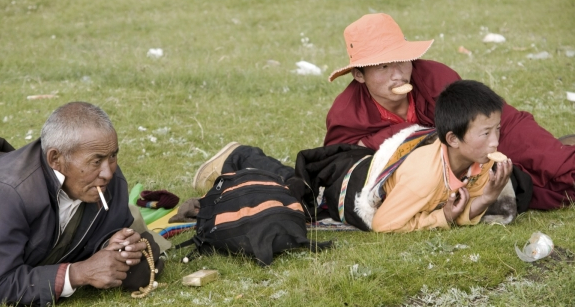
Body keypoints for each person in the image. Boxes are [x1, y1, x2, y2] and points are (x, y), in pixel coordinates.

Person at [324, 13, 575, 210]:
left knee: (551, 160)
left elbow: (482, 115)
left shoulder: (434, 76)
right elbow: (341, 167)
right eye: (383, 67)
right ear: (359, 75)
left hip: (477, 132)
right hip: (444, 169)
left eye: (402, 60)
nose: (398, 75)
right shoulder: (346, 113)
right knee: (527, 184)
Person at [193, 80, 513, 232]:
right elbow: (384, 224)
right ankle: (241, 158)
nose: (495, 141)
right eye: (486, 133)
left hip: (376, 164)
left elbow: (466, 199)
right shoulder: (424, 177)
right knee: (296, 198)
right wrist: (440, 218)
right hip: (352, 186)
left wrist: (486, 198)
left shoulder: (481, 161)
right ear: (453, 139)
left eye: (497, 130)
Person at [0, 102, 160, 307]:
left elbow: (116, 232)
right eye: (96, 161)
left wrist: (115, 246)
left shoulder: (109, 182)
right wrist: (78, 273)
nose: (108, 172)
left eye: (113, 156)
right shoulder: (7, 192)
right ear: (55, 159)